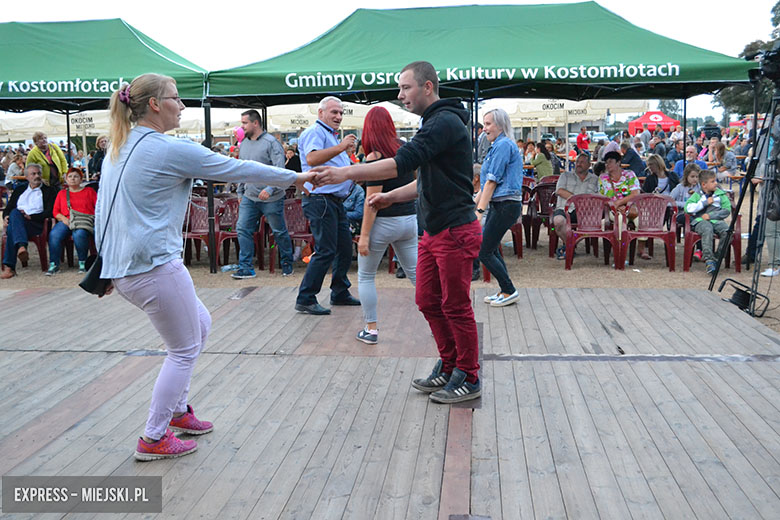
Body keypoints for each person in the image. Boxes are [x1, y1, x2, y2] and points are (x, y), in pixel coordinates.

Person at [97, 73, 310, 461]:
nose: (183, 105)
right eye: (176, 98)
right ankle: (153, 436)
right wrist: (298, 176)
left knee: (200, 326)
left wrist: (107, 264)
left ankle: (176, 412)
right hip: (154, 266)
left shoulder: (121, 145)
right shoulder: (164, 148)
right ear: (157, 105)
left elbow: (104, 209)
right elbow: (238, 170)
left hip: (130, 268)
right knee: (183, 349)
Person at [311, 61, 482, 404]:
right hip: (435, 231)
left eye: (405, 88)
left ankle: (469, 374)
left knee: (456, 305)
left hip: (455, 231)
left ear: (428, 87)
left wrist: (344, 174)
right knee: (428, 301)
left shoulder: (444, 122)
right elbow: (427, 181)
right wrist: (390, 195)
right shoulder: (436, 122)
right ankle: (450, 365)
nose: (400, 95)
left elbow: (401, 163)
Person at [354, 106, 418, 345]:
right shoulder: (404, 148)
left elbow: (372, 203)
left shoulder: (374, 157)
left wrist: (364, 236)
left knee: (366, 276)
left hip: (383, 222)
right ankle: (440, 320)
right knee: (416, 275)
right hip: (408, 220)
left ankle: (371, 330)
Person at [295, 96, 361, 315]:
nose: (338, 117)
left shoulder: (329, 135)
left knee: (343, 247)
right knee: (326, 250)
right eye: (334, 112)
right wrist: (342, 147)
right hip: (321, 199)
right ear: (320, 113)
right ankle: (306, 297)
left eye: (341, 113)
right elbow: (312, 159)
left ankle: (339, 291)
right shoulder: (316, 132)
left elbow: (329, 162)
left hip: (332, 200)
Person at [233, 109, 294, 279]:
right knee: (242, 229)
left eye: (245, 123)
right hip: (249, 196)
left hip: (272, 198)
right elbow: (242, 170)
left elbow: (280, 169)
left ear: (255, 123)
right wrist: (240, 191)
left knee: (279, 231)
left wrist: (269, 188)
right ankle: (245, 267)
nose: (242, 126)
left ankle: (287, 263)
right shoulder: (244, 143)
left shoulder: (271, 143)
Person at [475, 108, 522, 307]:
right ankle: (505, 290)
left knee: (483, 250)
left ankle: (509, 289)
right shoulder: (498, 145)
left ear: (500, 125)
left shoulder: (502, 146)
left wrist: (479, 211)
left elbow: (491, 182)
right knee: (489, 248)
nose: (484, 129)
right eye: (484, 124)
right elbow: (487, 183)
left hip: (505, 204)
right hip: (502, 204)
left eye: (488, 124)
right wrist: (475, 202)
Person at [1, 164, 57, 279]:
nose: (37, 176)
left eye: (38, 173)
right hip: (20, 222)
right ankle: (21, 247)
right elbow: (9, 207)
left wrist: (31, 217)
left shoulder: (49, 191)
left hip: (37, 224)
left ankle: (9, 267)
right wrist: (6, 216)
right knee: (15, 213)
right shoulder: (20, 190)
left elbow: (50, 212)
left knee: (13, 225)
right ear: (26, 177)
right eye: (33, 174)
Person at [47, 167, 96, 275]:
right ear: (66, 179)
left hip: (83, 221)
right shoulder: (62, 193)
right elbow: (55, 211)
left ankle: (82, 261)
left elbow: (97, 207)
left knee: (79, 234)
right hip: (66, 220)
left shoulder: (89, 191)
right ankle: (54, 264)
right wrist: (63, 219)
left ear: (81, 179)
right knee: (54, 234)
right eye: (70, 176)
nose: (73, 179)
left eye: (76, 176)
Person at [552, 153, 599, 260]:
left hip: (585, 212)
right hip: (564, 209)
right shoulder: (565, 176)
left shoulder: (595, 179)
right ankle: (571, 245)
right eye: (577, 162)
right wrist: (577, 200)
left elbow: (598, 197)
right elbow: (559, 191)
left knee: (595, 223)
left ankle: (569, 247)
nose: (578, 164)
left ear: (589, 165)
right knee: (558, 222)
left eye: (582, 162)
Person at [685, 169, 731, 274]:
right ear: (704, 184)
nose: (716, 183)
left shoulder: (720, 195)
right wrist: (704, 203)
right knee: (707, 229)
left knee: (727, 232)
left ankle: (717, 258)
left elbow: (727, 210)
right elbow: (688, 208)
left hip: (717, 221)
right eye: (713, 181)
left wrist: (710, 215)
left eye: (715, 181)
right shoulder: (697, 195)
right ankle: (709, 260)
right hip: (700, 221)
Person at [599, 150, 641, 258]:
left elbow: (635, 193)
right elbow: (601, 197)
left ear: (618, 162)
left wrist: (621, 203)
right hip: (613, 209)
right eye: (606, 163)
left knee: (641, 221)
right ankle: (620, 248)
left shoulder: (629, 175)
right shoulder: (603, 178)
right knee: (620, 219)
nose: (607, 165)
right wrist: (614, 206)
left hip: (631, 208)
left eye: (610, 162)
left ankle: (641, 249)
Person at [670, 163, 702, 230]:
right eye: (692, 177)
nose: (695, 179)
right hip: (682, 214)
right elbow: (670, 201)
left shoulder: (700, 188)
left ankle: (695, 238)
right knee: (689, 219)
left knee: (700, 220)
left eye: (697, 177)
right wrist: (684, 204)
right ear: (686, 176)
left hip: (696, 214)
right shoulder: (680, 187)